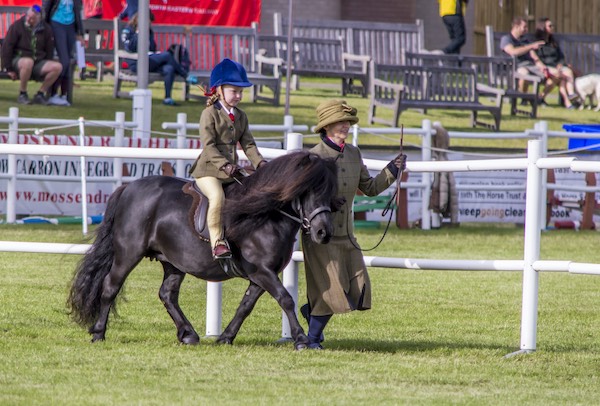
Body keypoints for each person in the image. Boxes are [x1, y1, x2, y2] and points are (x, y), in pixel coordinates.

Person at [301, 99, 407, 350]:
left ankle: (309, 312)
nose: (346, 126)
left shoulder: (354, 153)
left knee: (358, 287)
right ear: (326, 126)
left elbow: (369, 188)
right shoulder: (314, 157)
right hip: (321, 235)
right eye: (341, 122)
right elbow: (305, 198)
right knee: (331, 290)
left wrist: (392, 169)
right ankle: (311, 339)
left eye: (347, 122)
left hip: (347, 234)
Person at [189, 58, 267, 259]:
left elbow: (248, 144)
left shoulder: (241, 116)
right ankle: (218, 243)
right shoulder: (209, 114)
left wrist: (260, 163)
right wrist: (224, 165)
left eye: (241, 92)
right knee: (217, 197)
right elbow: (209, 146)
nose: (239, 96)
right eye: (234, 91)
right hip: (208, 171)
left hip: (231, 170)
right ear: (219, 90)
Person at [121, 13, 196, 106]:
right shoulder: (129, 30)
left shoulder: (149, 31)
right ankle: (185, 75)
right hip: (137, 63)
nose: (149, 24)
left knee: (169, 68)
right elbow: (130, 47)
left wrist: (155, 53)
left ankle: (167, 98)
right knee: (167, 55)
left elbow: (152, 48)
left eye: (150, 22)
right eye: (147, 22)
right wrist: (138, 32)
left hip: (149, 61)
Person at [1, 5, 63, 105]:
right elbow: (7, 47)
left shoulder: (46, 29)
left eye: (32, 18)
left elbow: (49, 50)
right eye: (27, 16)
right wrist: (8, 68)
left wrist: (45, 65)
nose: (28, 19)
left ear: (39, 19)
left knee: (58, 67)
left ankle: (40, 94)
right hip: (19, 60)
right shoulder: (17, 26)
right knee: (28, 62)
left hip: (38, 61)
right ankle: (23, 93)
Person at [43, 0, 85, 106]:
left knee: (69, 61)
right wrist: (45, 26)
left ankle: (63, 94)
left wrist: (80, 32)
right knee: (64, 61)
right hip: (57, 23)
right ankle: (53, 94)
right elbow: (46, 8)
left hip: (70, 25)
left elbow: (78, 12)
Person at [533, 18, 580, 109]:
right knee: (559, 76)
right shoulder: (537, 42)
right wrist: (552, 67)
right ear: (543, 27)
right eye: (550, 26)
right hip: (545, 67)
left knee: (567, 72)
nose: (552, 27)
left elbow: (561, 56)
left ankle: (570, 94)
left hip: (557, 67)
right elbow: (539, 59)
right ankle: (566, 102)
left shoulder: (553, 42)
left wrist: (560, 64)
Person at [500, 17, 546, 96]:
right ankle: (524, 97)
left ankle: (540, 98)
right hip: (513, 67)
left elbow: (534, 56)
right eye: (524, 27)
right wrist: (531, 46)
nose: (526, 29)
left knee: (554, 74)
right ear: (516, 27)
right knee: (525, 73)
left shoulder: (525, 40)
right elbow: (513, 52)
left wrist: (541, 65)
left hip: (529, 66)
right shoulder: (506, 39)